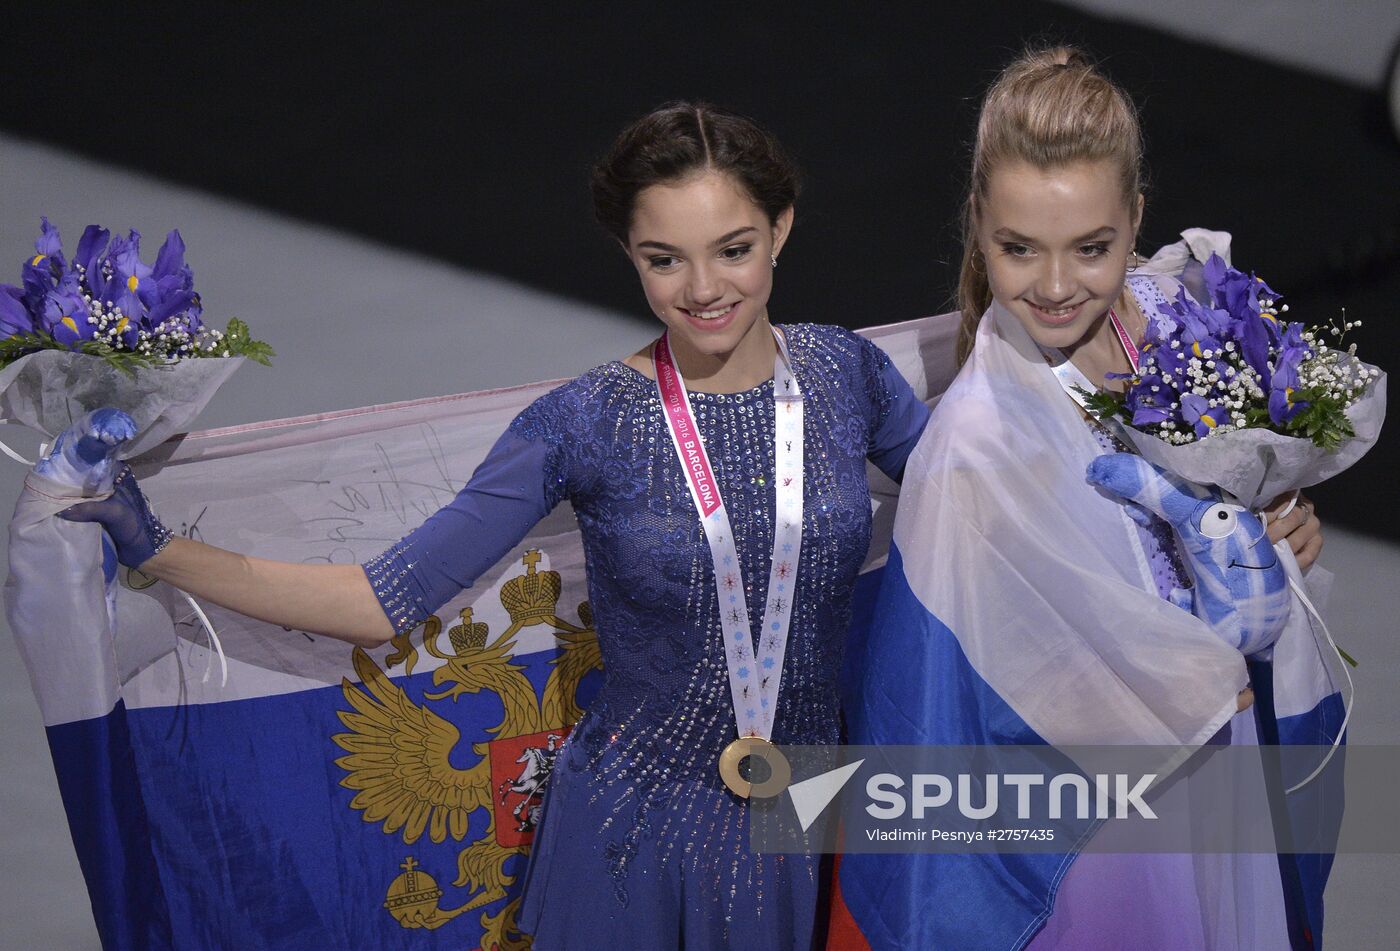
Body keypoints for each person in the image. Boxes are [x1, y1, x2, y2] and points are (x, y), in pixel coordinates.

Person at [57, 101, 931, 949]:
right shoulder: (582, 422)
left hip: (816, 811)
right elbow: (378, 599)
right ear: (629, 253)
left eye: (733, 250)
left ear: (781, 228)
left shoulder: (845, 374)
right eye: (665, 260)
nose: (703, 289)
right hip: (640, 837)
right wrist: (158, 548)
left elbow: (980, 512)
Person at [836, 47, 1337, 951]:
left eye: (1092, 247)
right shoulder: (977, 445)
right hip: (1095, 831)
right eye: (1018, 248)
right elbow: (953, 699)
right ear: (978, 225)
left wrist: (1275, 537)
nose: (1057, 286)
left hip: (1215, 770)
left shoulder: (1179, 321)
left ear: (1136, 219)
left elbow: (1239, 504)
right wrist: (1212, 618)